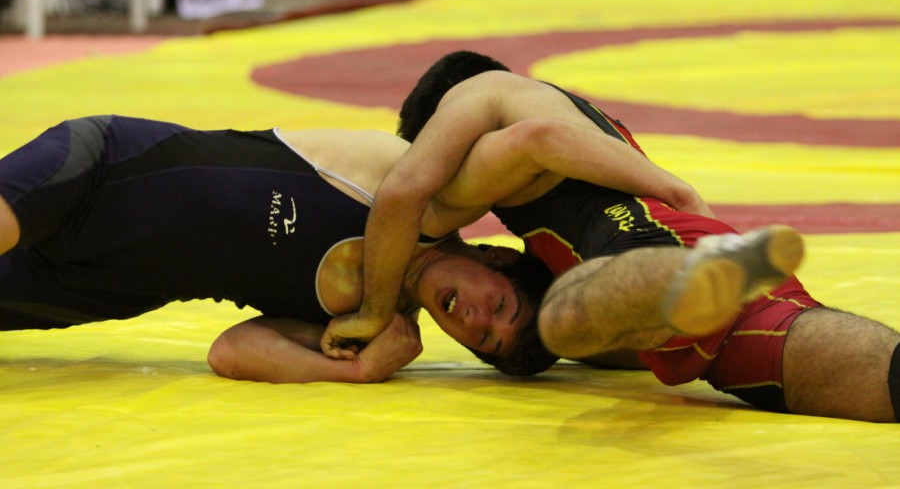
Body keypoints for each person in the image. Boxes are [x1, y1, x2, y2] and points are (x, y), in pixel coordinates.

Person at [323, 50, 900, 423]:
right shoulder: (548, 188)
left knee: (565, 314)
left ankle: (701, 277)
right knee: (880, 385)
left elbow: (415, 186)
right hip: (703, 331)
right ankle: (709, 281)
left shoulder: (483, 95)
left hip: (643, 240)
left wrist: (374, 313)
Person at [0, 114, 556, 384]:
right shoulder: (412, 188)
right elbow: (522, 125)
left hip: (106, 284)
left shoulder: (369, 325)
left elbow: (230, 352)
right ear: (499, 257)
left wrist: (356, 372)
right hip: (105, 173)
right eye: (499, 306)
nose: (476, 319)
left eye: (484, 339)